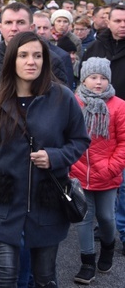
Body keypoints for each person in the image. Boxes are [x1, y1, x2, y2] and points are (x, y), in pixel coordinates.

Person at [0, 31, 89, 287]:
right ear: (12, 60)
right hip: (4, 202)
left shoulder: (63, 98)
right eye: (23, 55)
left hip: (47, 202)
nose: (32, 61)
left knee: (44, 277)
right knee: (5, 275)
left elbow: (80, 140)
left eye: (38, 55)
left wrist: (55, 156)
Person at [71, 58, 125, 284]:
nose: (98, 82)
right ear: (84, 79)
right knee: (84, 218)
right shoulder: (73, 102)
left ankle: (108, 248)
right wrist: (70, 165)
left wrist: (112, 167)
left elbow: (123, 142)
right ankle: (87, 262)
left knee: (106, 216)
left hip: (107, 173)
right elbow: (67, 136)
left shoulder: (119, 105)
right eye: (94, 77)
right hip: (79, 172)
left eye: (103, 78)